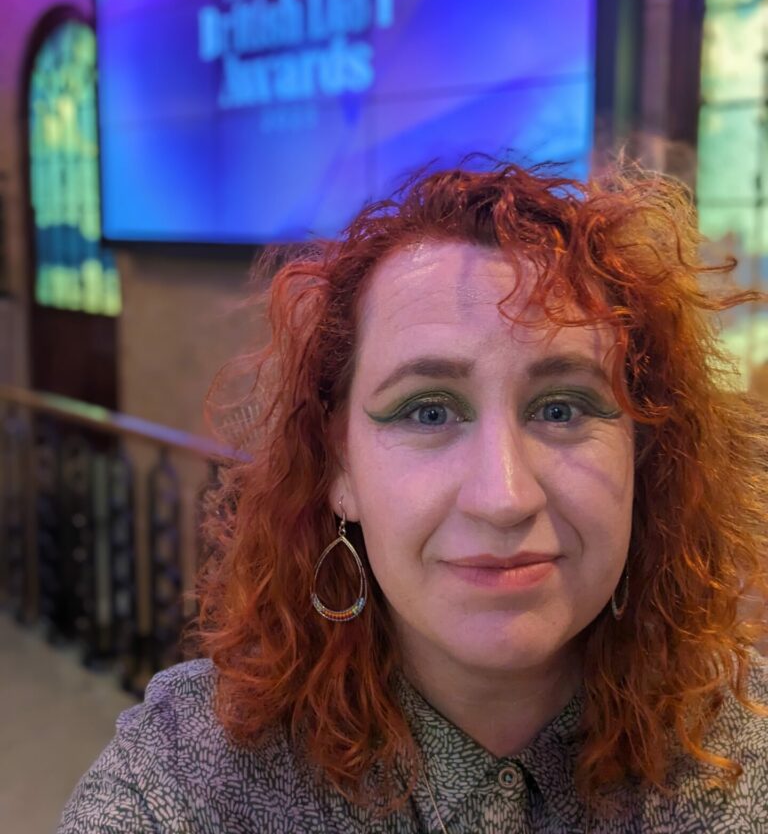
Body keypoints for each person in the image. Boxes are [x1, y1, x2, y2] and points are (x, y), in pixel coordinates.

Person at [59, 162, 768, 833]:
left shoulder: (746, 752)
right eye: (429, 411)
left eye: (562, 408)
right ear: (340, 467)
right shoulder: (185, 778)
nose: (503, 498)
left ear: (644, 454)